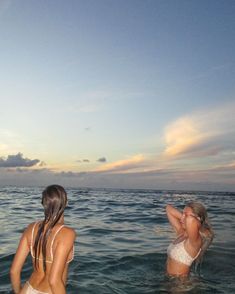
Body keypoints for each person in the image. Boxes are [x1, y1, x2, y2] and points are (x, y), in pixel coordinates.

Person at [10, 184, 76, 294]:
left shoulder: (31, 228)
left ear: (43, 204)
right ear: (66, 202)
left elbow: (14, 271)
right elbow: (54, 281)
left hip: (27, 289)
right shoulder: (67, 234)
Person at [166, 202, 213, 277]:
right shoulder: (181, 232)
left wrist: (193, 219)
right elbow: (169, 209)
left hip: (182, 285)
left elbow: (191, 220)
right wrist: (185, 217)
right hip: (170, 280)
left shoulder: (194, 242)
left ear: (197, 220)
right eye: (182, 213)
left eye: (186, 215)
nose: (182, 218)